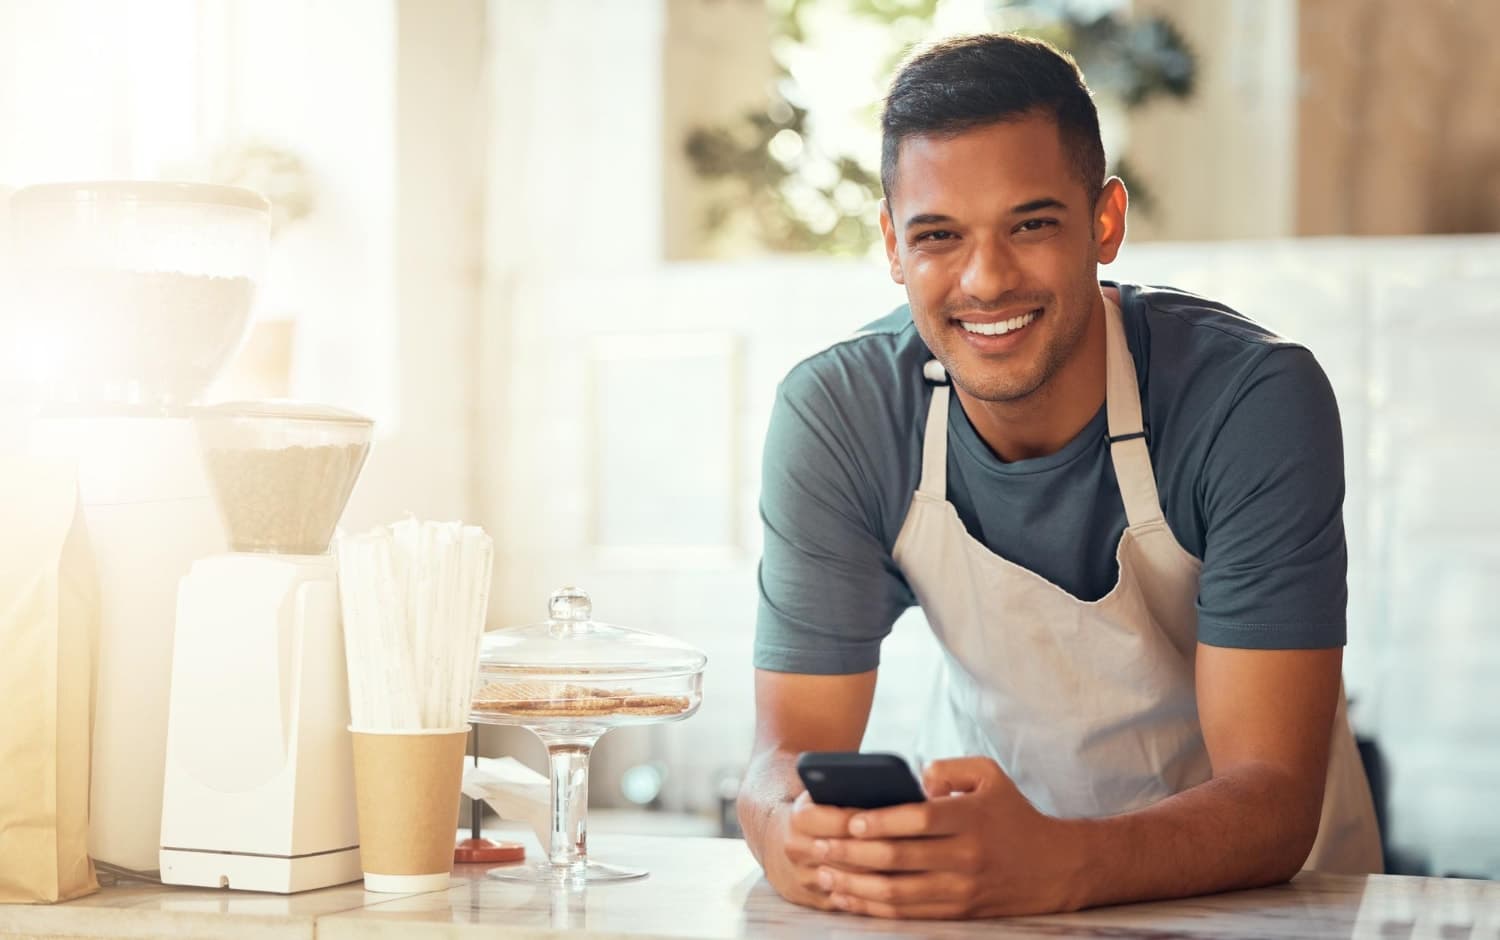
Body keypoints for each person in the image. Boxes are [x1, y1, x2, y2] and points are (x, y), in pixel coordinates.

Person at [738, 33, 1383, 920]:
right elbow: (781, 759)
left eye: (1031, 225)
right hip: (989, 905)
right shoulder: (841, 414)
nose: (985, 280)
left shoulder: (1251, 400)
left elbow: (1272, 799)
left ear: (1105, 221)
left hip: (1261, 910)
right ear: (891, 243)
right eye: (938, 236)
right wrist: (792, 832)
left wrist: (1056, 863)